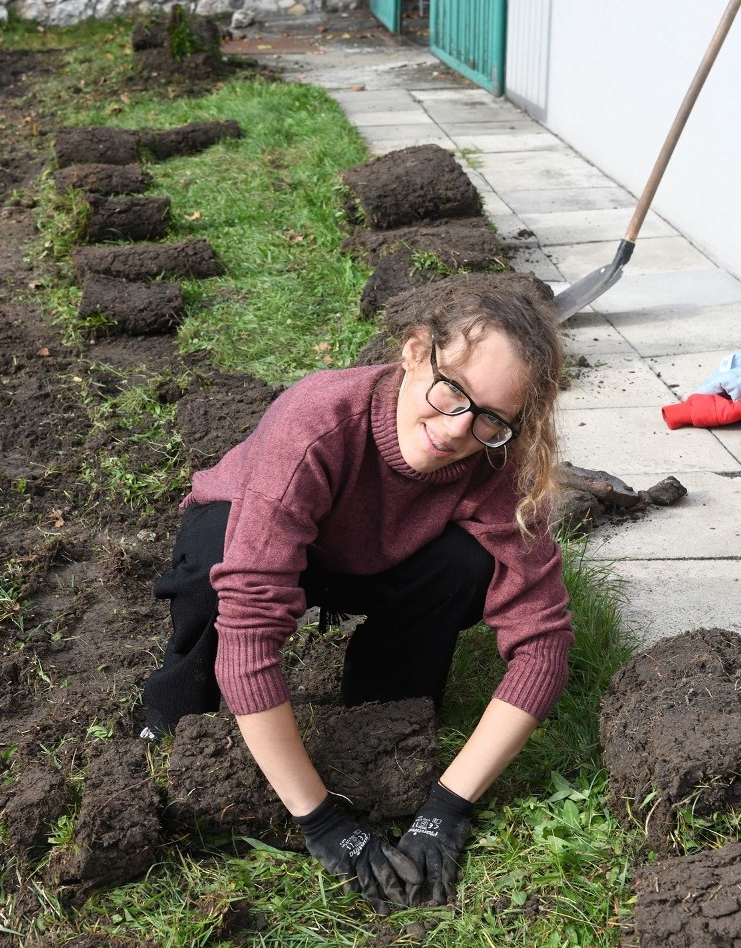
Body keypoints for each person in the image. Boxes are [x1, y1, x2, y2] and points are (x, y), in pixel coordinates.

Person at [142, 285, 573, 912]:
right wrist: (320, 821)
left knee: (464, 561)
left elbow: (543, 647)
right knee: (214, 570)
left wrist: (446, 807)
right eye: (453, 390)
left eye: (491, 419)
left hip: (379, 556)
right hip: (249, 531)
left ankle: (386, 716)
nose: (458, 429)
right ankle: (175, 713)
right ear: (414, 351)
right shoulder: (319, 419)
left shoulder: (499, 468)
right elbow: (250, 626)